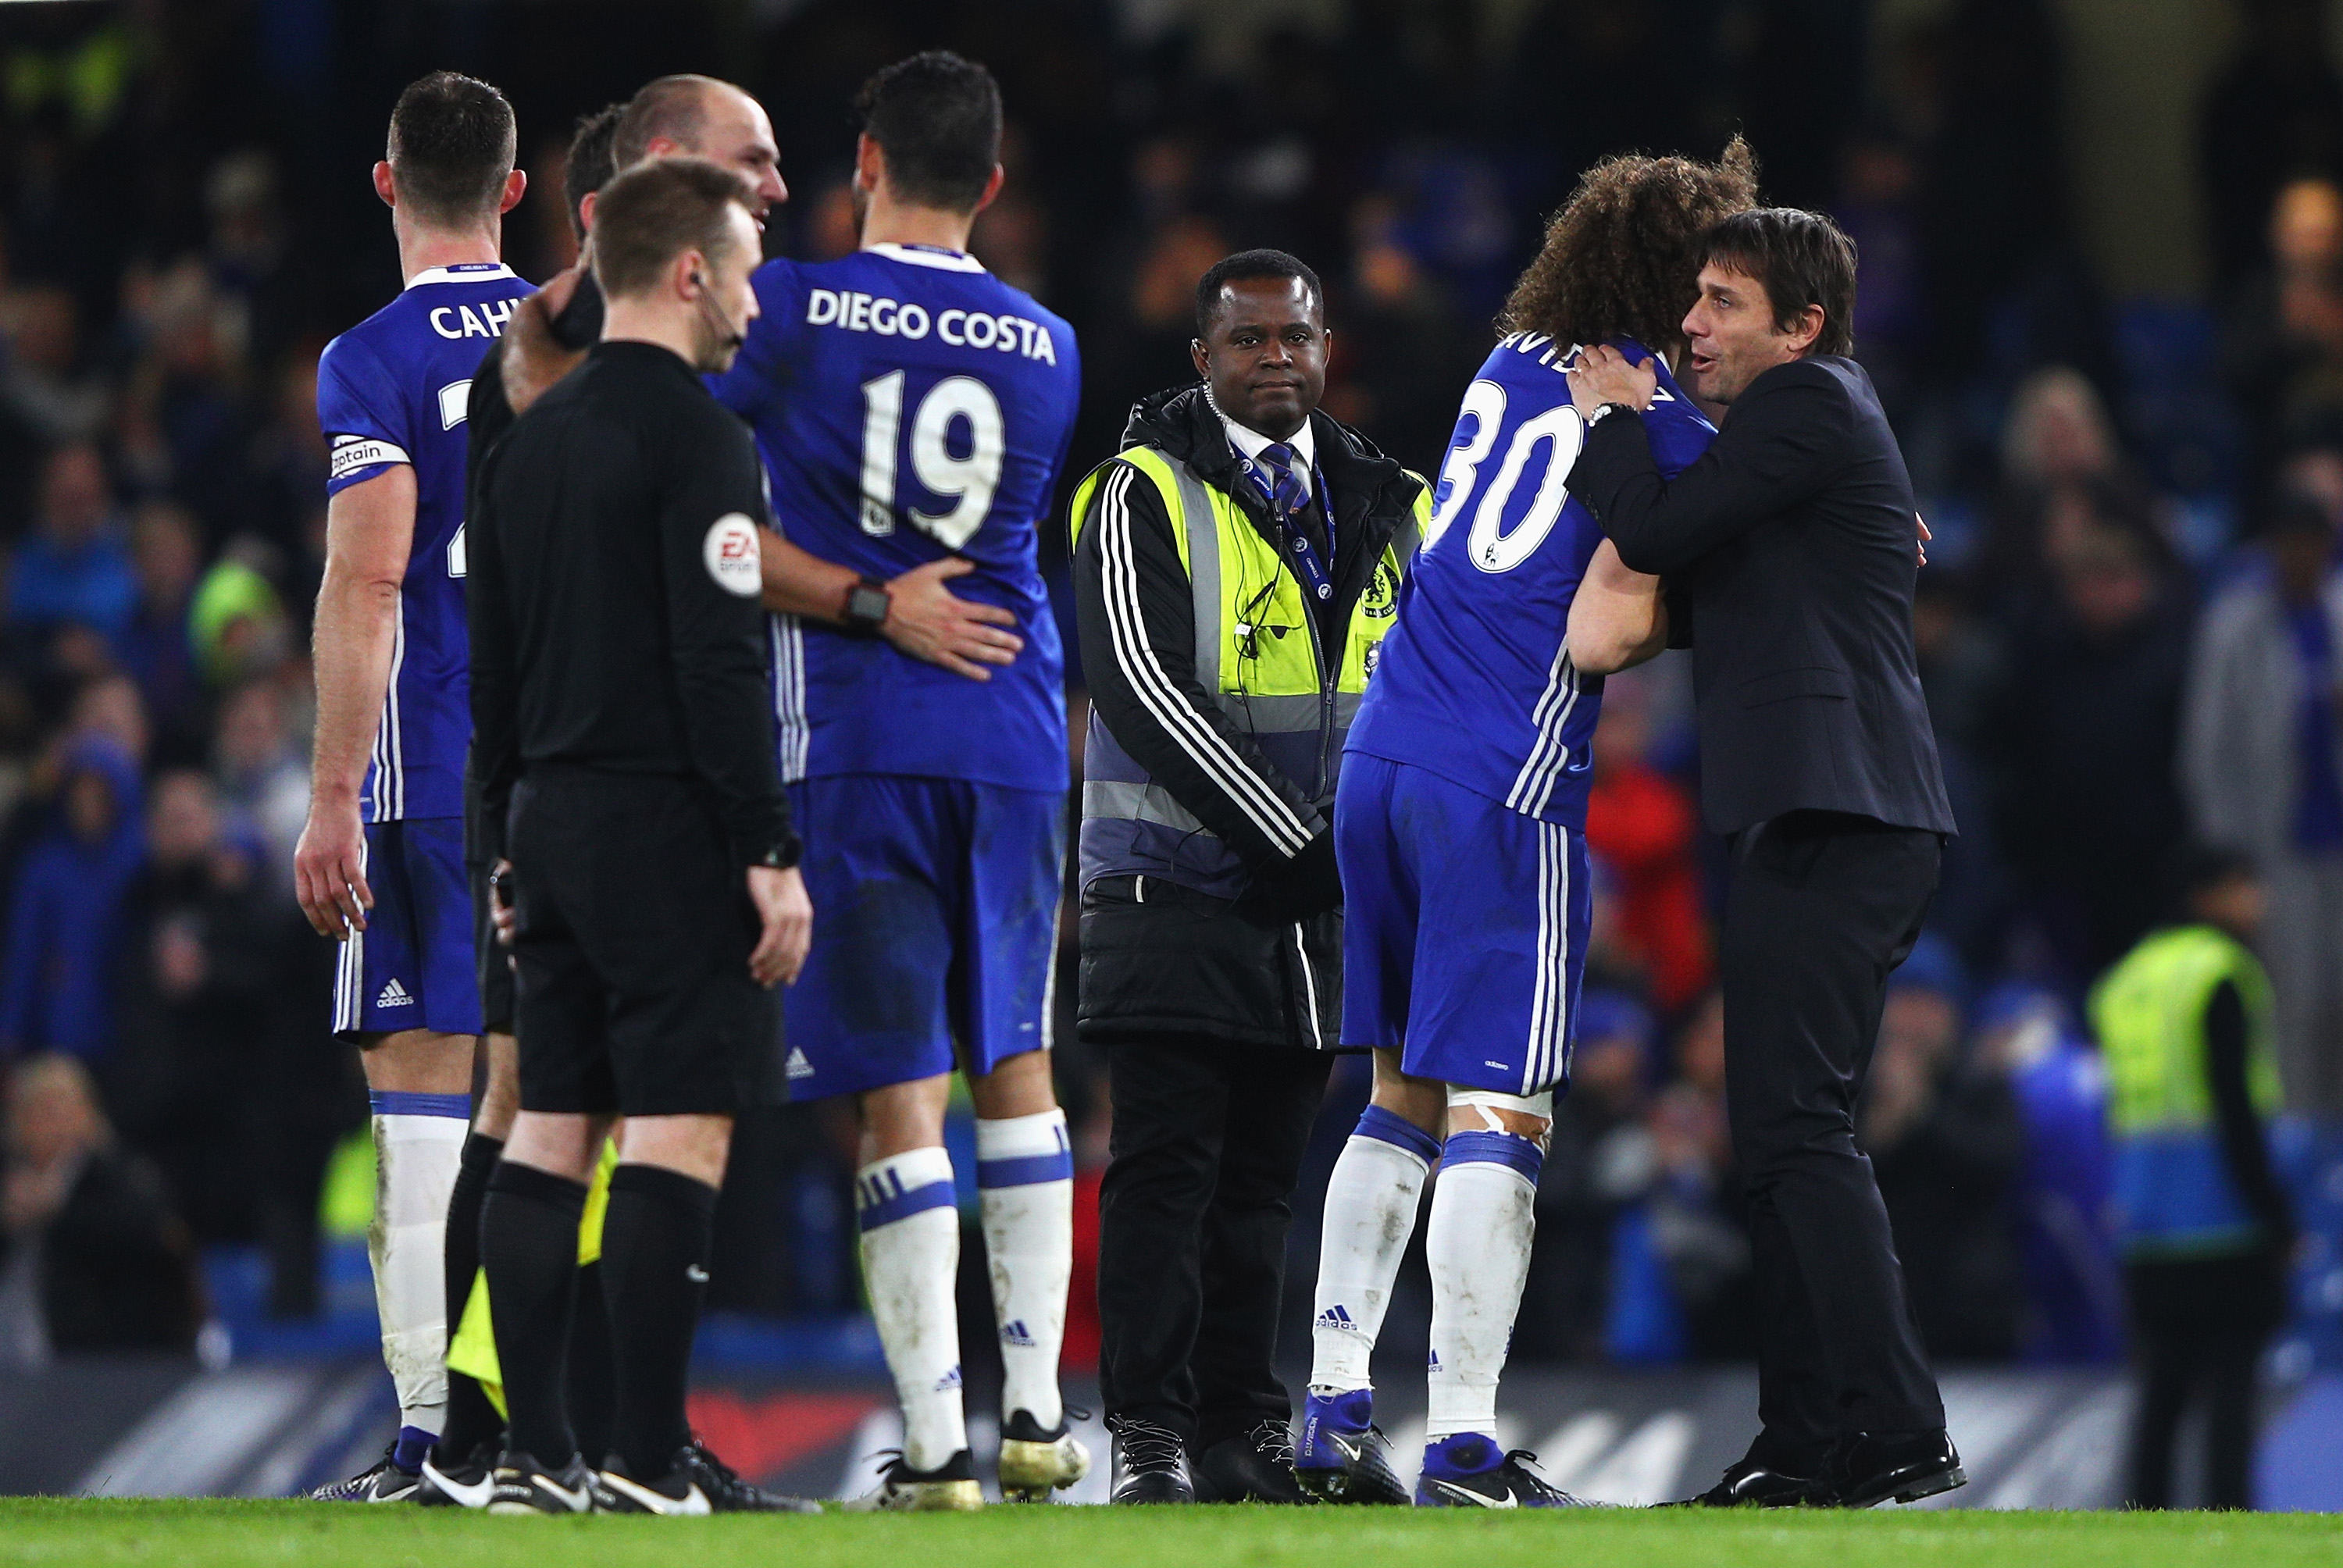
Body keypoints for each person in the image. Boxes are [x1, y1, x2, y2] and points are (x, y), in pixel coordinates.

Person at [1297, 142, 1756, 1509]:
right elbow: (1642, 596)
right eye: (1707, 280)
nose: (1709, 310)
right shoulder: (1654, 415)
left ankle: (1328, 1413)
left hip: (1383, 752)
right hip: (1502, 772)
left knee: (1396, 1091)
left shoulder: (1511, 365)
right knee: (1507, 1101)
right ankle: (1465, 1440)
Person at [707, 52, 1082, 1512]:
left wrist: (869, 597)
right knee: (1021, 1058)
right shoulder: (1048, 342)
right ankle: (1043, 1412)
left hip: (860, 731)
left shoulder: (794, 308)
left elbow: (706, 482)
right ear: (991, 181)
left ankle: (936, 1450)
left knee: (896, 1091)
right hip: (1013, 730)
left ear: (864, 160)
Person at [1567, 207, 1962, 1509]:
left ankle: (1895, 1426)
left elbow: (1662, 529)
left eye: (1724, 302)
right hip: (1815, 813)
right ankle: (1806, 1440)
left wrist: (1615, 412)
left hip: (1841, 815)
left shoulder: (1811, 408)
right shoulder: (1805, 440)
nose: (1691, 325)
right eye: (1695, 300)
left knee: (1798, 1130)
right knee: (1778, 1135)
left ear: (1799, 325)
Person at [468, 155, 812, 1517]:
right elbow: (719, 663)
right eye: (741, 271)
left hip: (545, 822)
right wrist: (768, 851)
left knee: (551, 1125)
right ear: (685, 274)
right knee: (680, 1130)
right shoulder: (702, 441)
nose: (752, 303)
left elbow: (491, 674)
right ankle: (645, 1453)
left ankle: (533, 1453)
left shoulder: (524, 442)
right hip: (665, 821)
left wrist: (502, 839)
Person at [1071, 250, 1425, 1505]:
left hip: (1317, 901)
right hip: (1175, 881)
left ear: (1329, 349)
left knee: (1264, 1182)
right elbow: (1141, 686)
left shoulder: (1389, 496)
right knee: (1168, 1170)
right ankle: (1149, 1434)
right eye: (1249, 342)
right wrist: (1298, 840)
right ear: (1202, 359)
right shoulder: (1138, 492)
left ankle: (1243, 1425)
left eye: (1297, 340)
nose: (1276, 361)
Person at [291, 71, 533, 1503]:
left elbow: (371, 576)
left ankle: (440, 1438)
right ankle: (549, 1429)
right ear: (514, 188)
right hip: (567, 771)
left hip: (427, 770)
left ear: (386, 183)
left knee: (422, 1100)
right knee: (556, 1106)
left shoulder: (369, 360)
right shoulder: (582, 335)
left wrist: (331, 794)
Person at [424, 97, 625, 1508]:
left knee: (562, 1105)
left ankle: (521, 1430)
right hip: (558, 773)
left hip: (531, 766)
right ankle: (498, 1425)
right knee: (538, 1098)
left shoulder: (553, 354)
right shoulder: (555, 358)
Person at [2093, 846, 2293, 1509]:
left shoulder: (2127, 979)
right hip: (2222, 1217)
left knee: (2162, 1392)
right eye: (2247, 888)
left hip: (2145, 1217)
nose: (2256, 905)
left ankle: (2141, 1523)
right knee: (2232, 1391)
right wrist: (2276, 1214)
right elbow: (2234, 1109)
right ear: (2217, 893)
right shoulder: (2219, 974)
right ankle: (2230, 1520)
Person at [2182, 490, 2343, 1120]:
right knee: (2289, 1010)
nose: (2302, 556)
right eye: (2290, 543)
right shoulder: (2235, 627)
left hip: (2336, 843)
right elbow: (2205, 752)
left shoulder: (2336, 614)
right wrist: (2230, 866)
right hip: (2274, 853)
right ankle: (2298, 1152)